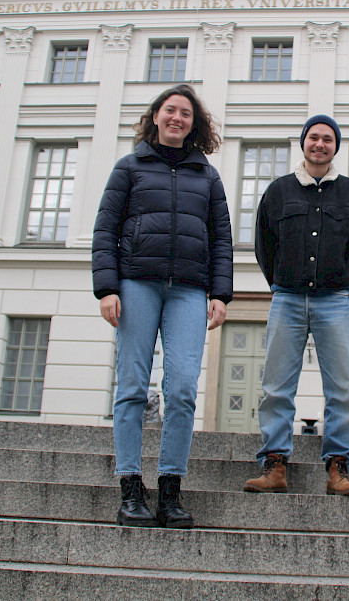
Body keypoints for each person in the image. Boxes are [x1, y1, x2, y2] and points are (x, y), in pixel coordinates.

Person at [92, 84, 233, 528]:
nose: (177, 118)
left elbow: (222, 239)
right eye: (170, 110)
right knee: (132, 387)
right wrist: (106, 288)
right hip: (136, 285)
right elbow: (105, 230)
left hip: (189, 291)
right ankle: (130, 488)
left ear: (195, 124)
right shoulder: (129, 167)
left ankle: (170, 491)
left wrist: (220, 293)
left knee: (183, 391)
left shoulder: (206, 176)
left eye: (185, 114)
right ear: (155, 116)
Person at [244, 114, 349, 496]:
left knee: (341, 391)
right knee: (277, 387)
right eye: (313, 138)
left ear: (336, 146)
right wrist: (281, 282)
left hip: (335, 300)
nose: (319, 144)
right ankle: (275, 464)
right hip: (287, 298)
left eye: (327, 139)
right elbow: (264, 245)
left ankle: (339, 467)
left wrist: (340, 283)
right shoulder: (279, 191)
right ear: (303, 143)